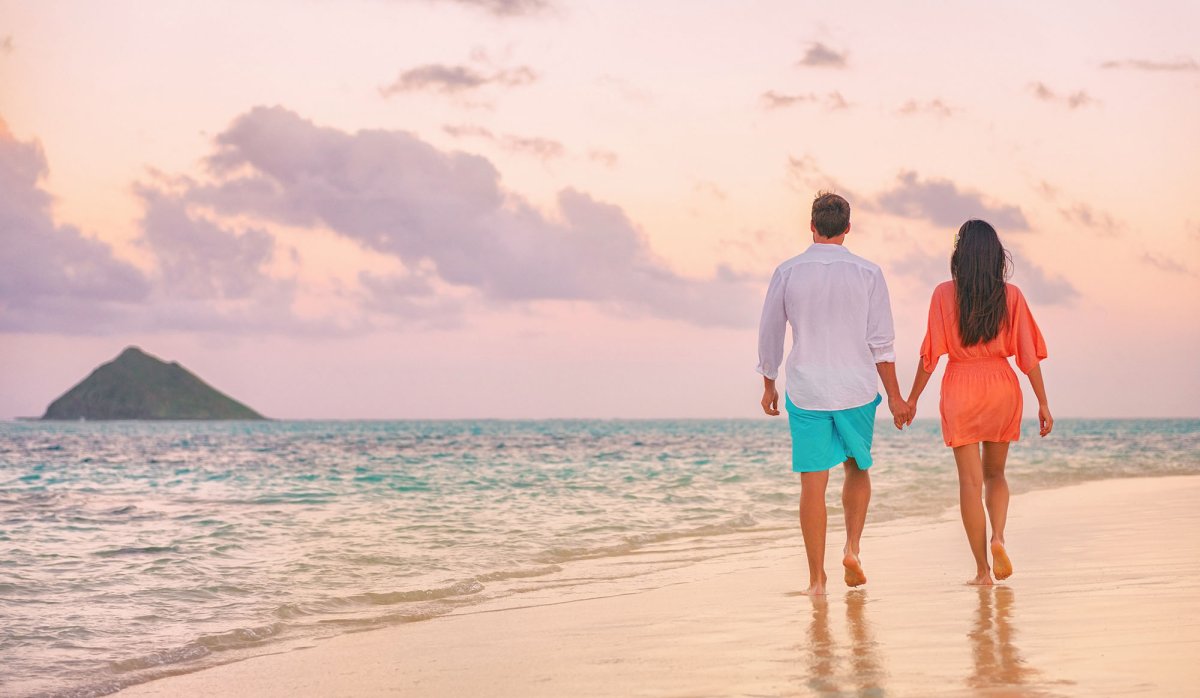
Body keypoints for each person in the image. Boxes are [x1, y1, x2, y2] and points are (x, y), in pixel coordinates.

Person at [757, 191, 910, 596]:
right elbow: (882, 343)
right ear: (847, 228)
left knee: (812, 484)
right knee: (857, 469)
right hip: (856, 387)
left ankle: (816, 581)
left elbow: (770, 330)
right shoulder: (869, 273)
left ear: (811, 226)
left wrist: (769, 381)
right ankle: (853, 548)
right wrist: (895, 397)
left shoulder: (788, 271)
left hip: (807, 388)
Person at [905, 219, 1053, 586]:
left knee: (970, 483)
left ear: (960, 254)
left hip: (961, 387)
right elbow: (1028, 356)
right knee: (996, 474)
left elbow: (930, 356)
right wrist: (1043, 403)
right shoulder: (1012, 296)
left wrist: (910, 399)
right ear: (995, 256)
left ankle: (982, 571)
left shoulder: (943, 294)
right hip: (1001, 386)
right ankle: (998, 537)